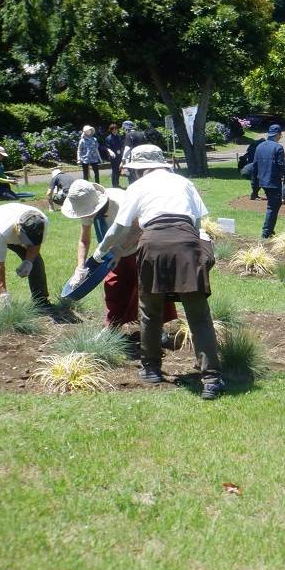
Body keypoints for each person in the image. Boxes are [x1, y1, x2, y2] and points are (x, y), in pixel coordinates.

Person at [92, 144, 225, 400]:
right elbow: (197, 224)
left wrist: (101, 252)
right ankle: (211, 380)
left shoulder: (137, 187)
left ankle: (151, 369)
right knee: (198, 316)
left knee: (150, 312)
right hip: (187, 243)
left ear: (139, 168)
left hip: (152, 245)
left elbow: (119, 228)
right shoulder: (183, 182)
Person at [62, 180, 178, 332]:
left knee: (147, 287)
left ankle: (157, 329)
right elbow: (84, 240)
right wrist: (80, 267)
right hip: (112, 251)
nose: (87, 216)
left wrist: (120, 250)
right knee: (114, 286)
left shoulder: (123, 201)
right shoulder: (84, 206)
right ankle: (113, 326)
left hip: (141, 245)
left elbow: (139, 230)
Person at [0, 203, 51, 313]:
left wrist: (28, 262)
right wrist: (3, 293)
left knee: (36, 261)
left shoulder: (42, 223)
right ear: (19, 230)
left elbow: (35, 245)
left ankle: (41, 301)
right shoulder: (1, 231)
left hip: (14, 231)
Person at [252, 124, 285, 239]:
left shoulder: (259, 147)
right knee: (272, 207)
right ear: (277, 135)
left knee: (273, 205)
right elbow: (281, 165)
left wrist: (254, 185)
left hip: (262, 181)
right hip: (273, 182)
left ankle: (269, 230)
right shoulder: (278, 147)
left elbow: (255, 166)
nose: (280, 138)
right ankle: (266, 232)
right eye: (280, 135)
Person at [120, 120, 148, 185]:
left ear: (125, 128)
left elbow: (127, 149)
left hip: (133, 159)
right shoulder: (142, 134)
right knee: (141, 177)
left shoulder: (129, 134)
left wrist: (123, 159)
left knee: (132, 179)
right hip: (142, 159)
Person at [105, 123, 125, 188]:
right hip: (113, 156)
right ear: (111, 130)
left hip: (119, 155)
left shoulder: (119, 137)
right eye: (113, 129)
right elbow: (107, 148)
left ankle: (117, 183)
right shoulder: (108, 138)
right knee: (114, 170)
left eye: (116, 129)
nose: (115, 130)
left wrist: (122, 154)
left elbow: (122, 146)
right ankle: (114, 185)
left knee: (119, 170)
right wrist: (111, 152)